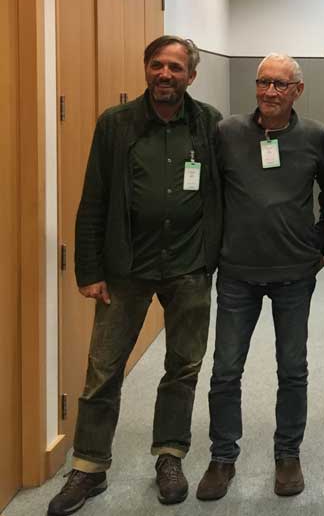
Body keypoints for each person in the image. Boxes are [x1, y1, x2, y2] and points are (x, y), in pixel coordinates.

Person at [48, 35, 222, 516]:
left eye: (175, 68)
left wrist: (215, 256)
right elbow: (94, 199)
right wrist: (89, 269)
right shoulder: (116, 123)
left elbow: (221, 194)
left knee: (183, 367)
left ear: (191, 74)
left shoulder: (208, 123)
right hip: (126, 269)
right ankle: (89, 466)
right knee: (102, 370)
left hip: (188, 266)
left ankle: (170, 456)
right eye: (157, 65)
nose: (165, 75)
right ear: (146, 69)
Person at [195, 53, 324, 501]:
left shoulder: (315, 136)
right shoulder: (228, 132)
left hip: (294, 273)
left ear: (297, 90)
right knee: (225, 371)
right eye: (263, 82)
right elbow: (210, 192)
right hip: (237, 272)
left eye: (280, 84)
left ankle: (288, 454)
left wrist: (316, 242)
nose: (270, 91)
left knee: (293, 369)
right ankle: (222, 457)